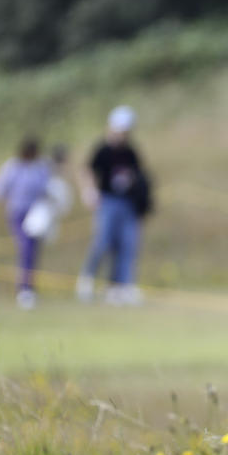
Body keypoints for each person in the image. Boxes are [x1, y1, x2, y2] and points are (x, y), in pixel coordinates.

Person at [76, 105, 152, 305]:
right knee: (103, 242)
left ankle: (121, 287)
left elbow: (138, 175)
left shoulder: (130, 152)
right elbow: (88, 170)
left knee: (128, 244)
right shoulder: (103, 149)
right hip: (108, 202)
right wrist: (89, 191)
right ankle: (87, 280)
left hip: (127, 204)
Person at [0, 136, 51, 309]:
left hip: (36, 215)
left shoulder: (40, 167)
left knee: (33, 250)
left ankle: (29, 288)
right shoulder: (13, 167)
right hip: (17, 213)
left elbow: (46, 188)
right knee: (25, 247)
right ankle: (24, 288)